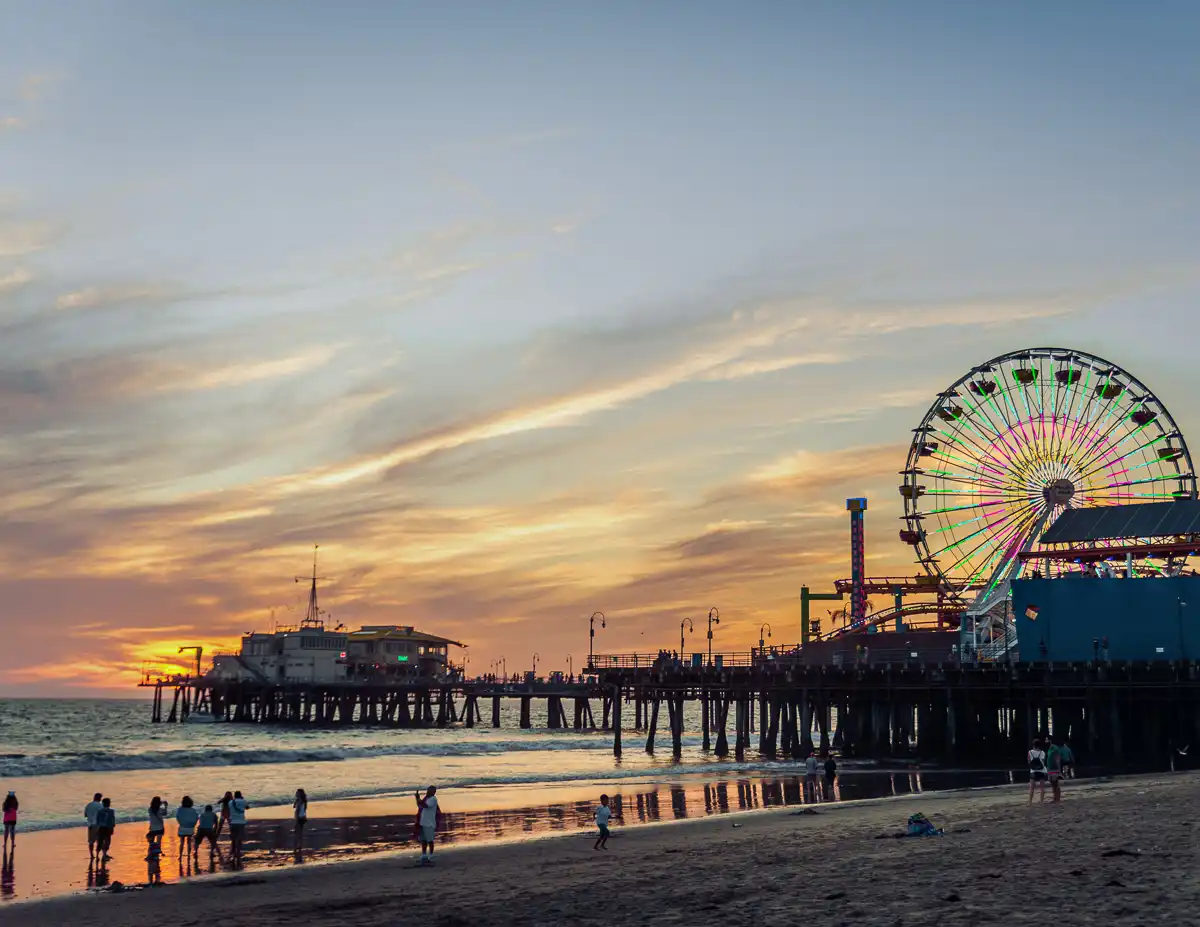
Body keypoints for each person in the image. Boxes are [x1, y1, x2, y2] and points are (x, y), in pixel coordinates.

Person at [416, 786, 440, 865]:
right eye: (428, 790)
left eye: (429, 790)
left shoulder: (433, 799)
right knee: (424, 840)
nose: (427, 792)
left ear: (433, 792)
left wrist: (419, 799)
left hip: (429, 823)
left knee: (430, 840)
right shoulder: (426, 798)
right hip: (423, 822)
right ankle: (424, 855)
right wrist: (417, 799)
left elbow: (426, 806)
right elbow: (420, 805)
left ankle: (431, 855)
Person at [228, 791, 249, 860]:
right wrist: (242, 799)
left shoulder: (230, 802)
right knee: (239, 839)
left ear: (234, 795)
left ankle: (233, 852)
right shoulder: (243, 801)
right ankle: (238, 852)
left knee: (233, 839)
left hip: (232, 822)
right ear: (240, 795)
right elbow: (247, 807)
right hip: (241, 822)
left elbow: (229, 810)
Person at [85, 792, 104, 861]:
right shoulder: (100, 805)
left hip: (90, 825)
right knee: (100, 841)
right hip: (98, 825)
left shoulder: (88, 805)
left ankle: (91, 855)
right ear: (99, 798)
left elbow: (86, 815)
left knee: (91, 841)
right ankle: (98, 854)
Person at [1028, 739, 1048, 803]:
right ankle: (1041, 801)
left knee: (1031, 787)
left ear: (1033, 745)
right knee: (1042, 788)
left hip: (1033, 771)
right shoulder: (1042, 752)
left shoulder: (1030, 752)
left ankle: (1030, 801)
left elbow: (1029, 761)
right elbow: (1043, 761)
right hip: (1042, 770)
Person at [96, 798, 116, 862]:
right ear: (109, 803)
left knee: (100, 842)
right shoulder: (111, 811)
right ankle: (104, 855)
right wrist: (112, 827)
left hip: (101, 827)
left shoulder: (100, 811)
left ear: (103, 803)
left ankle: (98, 856)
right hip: (108, 828)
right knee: (107, 842)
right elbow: (113, 820)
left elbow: (97, 820)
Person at [1047, 738, 1064, 802]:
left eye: (1046, 740)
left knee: (1056, 783)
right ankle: (1055, 797)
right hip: (1050, 768)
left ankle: (1057, 798)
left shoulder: (1055, 749)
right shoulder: (1050, 748)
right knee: (1052, 783)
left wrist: (1059, 770)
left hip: (1055, 769)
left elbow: (1057, 759)